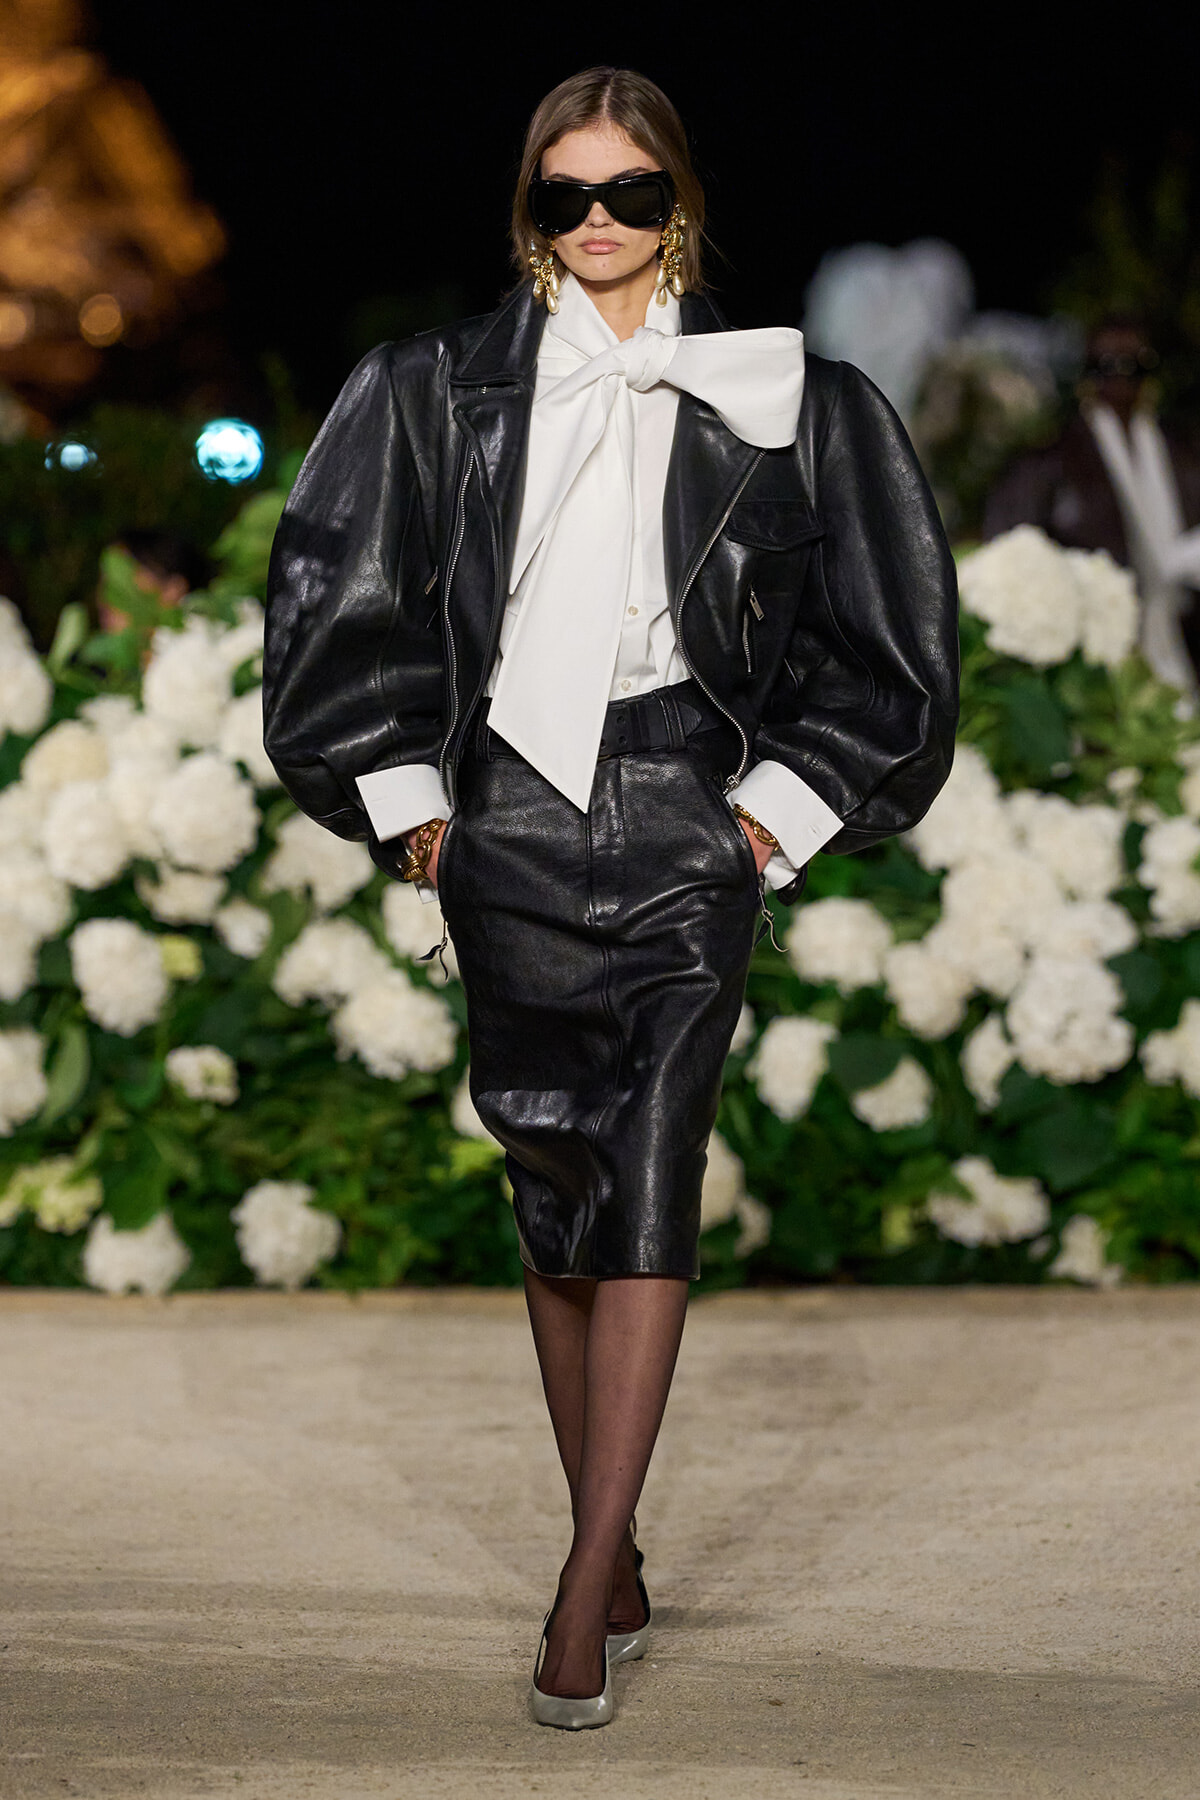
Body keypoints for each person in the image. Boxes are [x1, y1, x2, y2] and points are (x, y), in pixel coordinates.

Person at [263, 67, 959, 1730]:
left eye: (627, 196)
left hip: (682, 829)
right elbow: (331, 607)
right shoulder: (432, 392)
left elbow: (894, 643)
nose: (595, 226)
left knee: (650, 1160)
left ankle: (583, 1592)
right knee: (549, 1167)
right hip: (505, 818)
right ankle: (619, 1541)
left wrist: (767, 826)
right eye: (561, 197)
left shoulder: (794, 397)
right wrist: (419, 819)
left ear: (681, 206)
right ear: (528, 215)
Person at [983, 316, 1200, 689]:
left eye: (1135, 367)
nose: (1121, 378)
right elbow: (1010, 555)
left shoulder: (1182, 451)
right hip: (1093, 653)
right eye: (1107, 366)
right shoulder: (1051, 461)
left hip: (1184, 635)